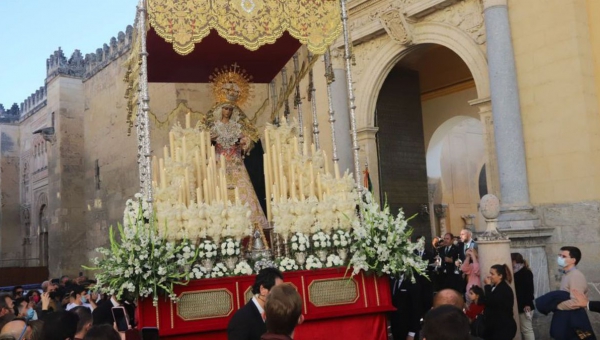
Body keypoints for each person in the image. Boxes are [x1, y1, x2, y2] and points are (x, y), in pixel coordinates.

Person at [209, 102, 268, 230]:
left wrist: (243, 143)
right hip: (220, 162)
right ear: (220, 110)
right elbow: (207, 142)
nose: (227, 111)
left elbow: (247, 142)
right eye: (225, 108)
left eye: (230, 109)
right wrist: (211, 140)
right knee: (220, 190)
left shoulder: (237, 127)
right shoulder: (214, 127)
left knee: (243, 190)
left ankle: (251, 223)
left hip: (236, 162)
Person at [228, 268, 284, 340]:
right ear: (263, 289)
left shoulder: (274, 313)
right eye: (278, 290)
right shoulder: (241, 319)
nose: (282, 295)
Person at [483, 264, 517, 340]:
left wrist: (487, 286)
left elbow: (491, 302)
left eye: (492, 274)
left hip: (503, 328)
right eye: (490, 273)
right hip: (496, 328)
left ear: (500, 276)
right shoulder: (495, 287)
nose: (490, 276)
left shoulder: (504, 289)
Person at [511, 252, 535, 340]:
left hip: (525, 305)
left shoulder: (525, 272)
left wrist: (527, 304)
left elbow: (529, 290)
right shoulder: (515, 272)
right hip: (520, 305)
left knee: (527, 329)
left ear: (514, 261)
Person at [556, 246, 587, 310]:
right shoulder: (566, 274)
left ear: (573, 260)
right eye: (559, 255)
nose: (560, 258)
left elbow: (577, 301)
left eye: (564, 256)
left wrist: (557, 306)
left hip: (573, 315)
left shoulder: (576, 275)